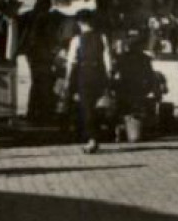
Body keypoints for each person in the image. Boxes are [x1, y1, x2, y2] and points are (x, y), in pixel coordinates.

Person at [66, 10, 111, 153]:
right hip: (99, 73)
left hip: (83, 74)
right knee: (96, 108)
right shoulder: (102, 37)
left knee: (87, 108)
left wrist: (68, 80)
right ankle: (94, 138)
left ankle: (92, 139)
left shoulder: (76, 40)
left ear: (79, 23)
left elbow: (71, 62)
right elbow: (107, 60)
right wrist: (108, 77)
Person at [111, 31, 166, 141]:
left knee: (121, 105)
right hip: (141, 90)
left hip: (124, 90)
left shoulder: (121, 58)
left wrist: (113, 87)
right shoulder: (145, 59)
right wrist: (154, 90)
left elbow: (113, 74)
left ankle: (120, 127)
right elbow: (150, 75)